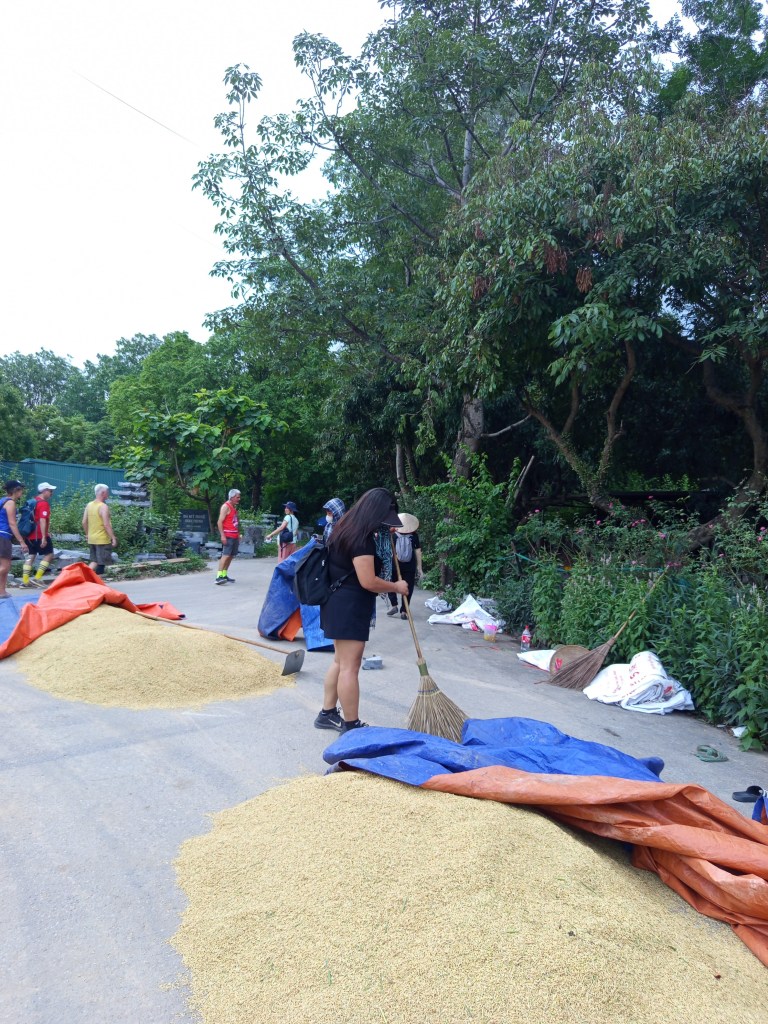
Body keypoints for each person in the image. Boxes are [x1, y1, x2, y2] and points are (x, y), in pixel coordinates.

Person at [314, 488, 408, 734]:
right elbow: (368, 581)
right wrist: (396, 587)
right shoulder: (361, 539)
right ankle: (351, 725)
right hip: (349, 606)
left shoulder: (346, 528)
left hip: (338, 603)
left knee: (340, 661)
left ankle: (327, 714)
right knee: (350, 667)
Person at [21, 482, 59, 588]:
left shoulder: (32, 501)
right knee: (49, 554)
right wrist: (44, 537)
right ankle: (37, 578)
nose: (52, 493)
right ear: (44, 491)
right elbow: (42, 520)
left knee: (31, 556)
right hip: (39, 535)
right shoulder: (43, 503)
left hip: (29, 534)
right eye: (50, 491)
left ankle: (25, 581)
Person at [387, 512, 424, 619]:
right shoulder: (414, 536)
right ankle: (404, 611)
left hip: (394, 565)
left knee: (390, 584)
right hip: (410, 566)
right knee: (408, 588)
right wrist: (419, 568)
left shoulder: (393, 535)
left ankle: (394, 605)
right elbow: (418, 551)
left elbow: (387, 551)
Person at [0, 480, 29, 599]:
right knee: (5, 566)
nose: (22, 492)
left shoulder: (2, 500)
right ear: (15, 490)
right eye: (21, 490)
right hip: (3, 536)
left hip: (2, 535)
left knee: (4, 567)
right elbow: (12, 524)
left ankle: (2, 592)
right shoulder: (10, 503)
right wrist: (21, 541)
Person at [82, 484, 117, 575]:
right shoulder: (103, 506)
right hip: (102, 540)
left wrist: (87, 534)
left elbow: (84, 522)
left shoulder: (89, 505)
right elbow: (106, 524)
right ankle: (98, 581)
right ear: (103, 493)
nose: (108, 494)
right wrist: (113, 538)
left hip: (92, 539)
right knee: (102, 564)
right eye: (107, 492)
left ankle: (83, 577)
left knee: (94, 561)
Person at [215, 488, 241, 585]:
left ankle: (224, 574)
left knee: (230, 556)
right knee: (225, 555)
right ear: (232, 497)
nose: (239, 499)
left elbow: (234, 522)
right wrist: (223, 536)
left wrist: (238, 534)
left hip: (234, 535)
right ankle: (218, 577)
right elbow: (219, 522)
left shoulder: (233, 507)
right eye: (237, 497)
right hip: (228, 535)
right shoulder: (226, 506)